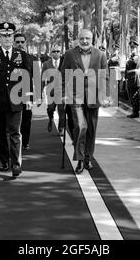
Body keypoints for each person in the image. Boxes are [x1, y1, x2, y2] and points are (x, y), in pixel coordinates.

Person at [0, 22, 33, 177]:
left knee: (15, 132)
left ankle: (16, 164)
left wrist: (29, 98)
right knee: (1, 133)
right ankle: (4, 161)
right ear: (0, 38)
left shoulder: (21, 55)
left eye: (10, 36)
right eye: (4, 36)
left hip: (17, 99)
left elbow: (27, 76)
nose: (8, 38)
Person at [61, 29, 111, 174]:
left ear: (92, 39)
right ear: (78, 39)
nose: (85, 41)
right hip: (75, 97)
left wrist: (106, 95)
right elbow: (64, 75)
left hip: (93, 97)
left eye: (87, 38)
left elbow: (105, 77)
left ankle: (88, 157)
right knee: (80, 127)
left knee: (91, 129)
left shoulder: (100, 55)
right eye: (82, 38)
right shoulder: (70, 54)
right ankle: (80, 159)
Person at [14, 33, 34, 150]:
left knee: (27, 119)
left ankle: (25, 142)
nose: (20, 44)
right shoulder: (8, 58)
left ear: (25, 43)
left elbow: (34, 78)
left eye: (22, 42)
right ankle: (14, 142)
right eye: (17, 42)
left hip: (27, 94)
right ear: (14, 42)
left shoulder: (31, 58)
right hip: (12, 94)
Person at [42, 45, 65, 136]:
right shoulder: (46, 64)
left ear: (60, 53)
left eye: (58, 51)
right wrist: (40, 92)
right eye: (54, 51)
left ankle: (61, 128)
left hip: (62, 91)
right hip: (51, 91)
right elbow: (43, 78)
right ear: (51, 53)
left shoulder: (64, 63)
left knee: (61, 111)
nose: (56, 53)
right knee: (50, 108)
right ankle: (50, 119)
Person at [125, 52, 140, 118]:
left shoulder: (136, 56)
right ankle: (133, 111)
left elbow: (134, 62)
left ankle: (135, 113)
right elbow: (127, 69)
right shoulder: (130, 57)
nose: (132, 48)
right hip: (130, 78)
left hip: (134, 78)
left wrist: (130, 59)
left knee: (134, 96)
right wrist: (125, 77)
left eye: (133, 47)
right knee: (131, 96)